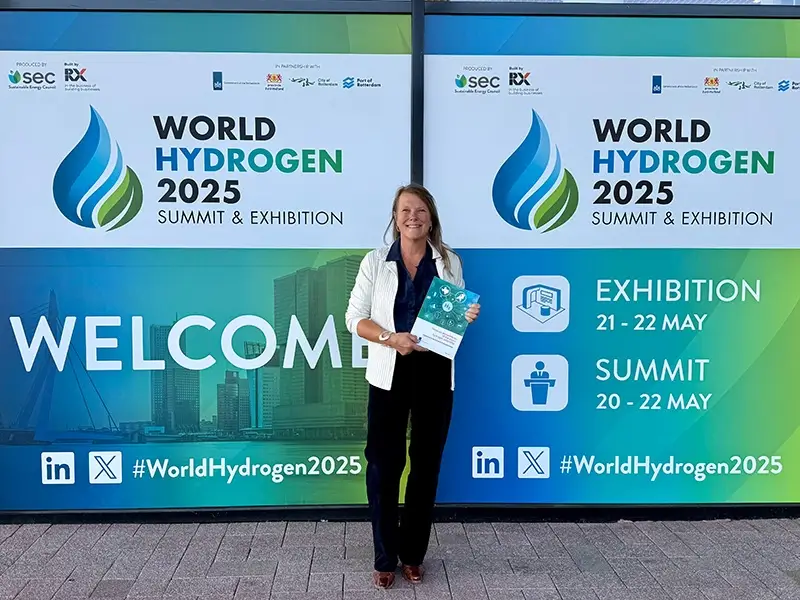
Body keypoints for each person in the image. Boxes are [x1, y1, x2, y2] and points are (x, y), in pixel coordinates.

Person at [345, 183, 480, 589]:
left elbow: (453, 315)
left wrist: (466, 315)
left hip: (435, 373)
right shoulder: (375, 262)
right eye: (405, 210)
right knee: (384, 466)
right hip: (389, 372)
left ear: (431, 218)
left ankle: (414, 555)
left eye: (420, 210)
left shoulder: (449, 261)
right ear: (395, 218)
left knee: (425, 466)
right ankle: (385, 557)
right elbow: (355, 318)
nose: (413, 217)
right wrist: (391, 338)